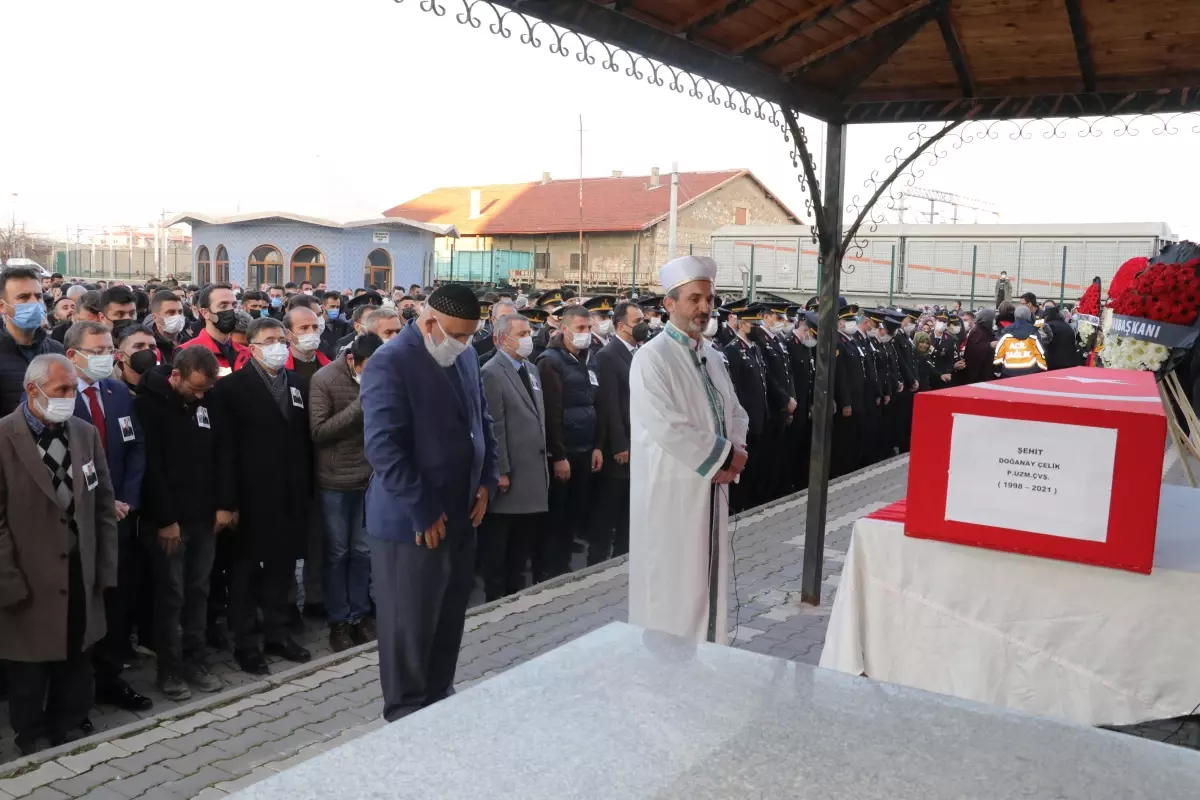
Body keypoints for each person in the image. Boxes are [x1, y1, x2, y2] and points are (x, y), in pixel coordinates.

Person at [361, 284, 498, 722]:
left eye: (470, 336)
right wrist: (422, 507)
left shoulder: (466, 356)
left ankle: (438, 703)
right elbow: (384, 449)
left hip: (461, 514)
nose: (463, 344)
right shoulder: (391, 362)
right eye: (456, 335)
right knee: (409, 628)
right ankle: (405, 715)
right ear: (428, 322)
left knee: (447, 621)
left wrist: (486, 481)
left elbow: (483, 423)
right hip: (412, 523)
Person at [0, 354, 117, 754]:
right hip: (28, 574)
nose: (70, 397)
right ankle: (31, 734)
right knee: (30, 665)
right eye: (61, 390)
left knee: (77, 654)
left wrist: (104, 569)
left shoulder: (84, 433)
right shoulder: (4, 438)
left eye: (72, 388)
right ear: (33, 390)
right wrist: (8, 580)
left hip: (79, 567)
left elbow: (103, 505)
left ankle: (69, 722)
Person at [628, 256, 748, 643]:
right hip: (672, 491)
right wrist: (724, 457)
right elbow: (666, 424)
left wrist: (737, 451)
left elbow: (735, 410)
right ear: (669, 304)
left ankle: (705, 657)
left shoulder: (711, 355)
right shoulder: (651, 358)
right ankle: (664, 669)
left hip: (711, 486)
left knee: (705, 577)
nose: (703, 307)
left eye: (708, 299)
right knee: (672, 581)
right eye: (694, 299)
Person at [212, 318, 314, 674]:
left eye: (281, 340)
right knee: (243, 575)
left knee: (282, 571)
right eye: (269, 341)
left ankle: (277, 634)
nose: (277, 346)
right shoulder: (232, 389)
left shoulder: (298, 385)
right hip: (249, 498)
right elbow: (224, 451)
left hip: (289, 495)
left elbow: (303, 441)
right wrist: (227, 502)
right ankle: (246, 643)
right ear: (252, 348)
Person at [63, 321, 153, 713]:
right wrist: (102, 502)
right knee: (83, 608)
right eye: (96, 351)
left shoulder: (117, 393)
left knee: (117, 605)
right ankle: (76, 694)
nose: (106, 358)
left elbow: (135, 448)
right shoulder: (61, 399)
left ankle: (111, 678)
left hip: (120, 519)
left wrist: (126, 499)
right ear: (73, 356)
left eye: (108, 350)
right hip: (80, 522)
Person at [136, 347, 224, 699]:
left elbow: (219, 453)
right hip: (170, 521)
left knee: (198, 592)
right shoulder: (148, 406)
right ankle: (170, 669)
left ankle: (195, 659)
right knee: (171, 596)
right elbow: (151, 469)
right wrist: (165, 519)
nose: (201, 396)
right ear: (176, 376)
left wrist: (224, 505)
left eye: (206, 390)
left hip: (204, 517)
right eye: (196, 388)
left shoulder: (206, 402)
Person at [310, 332, 382, 652]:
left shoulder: (384, 375)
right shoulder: (325, 378)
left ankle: (360, 615)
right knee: (338, 553)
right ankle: (338, 620)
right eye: (369, 367)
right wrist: (360, 405)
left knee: (363, 552)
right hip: (335, 482)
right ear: (353, 359)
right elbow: (318, 431)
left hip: (369, 479)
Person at [479, 313, 549, 600]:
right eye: (520, 334)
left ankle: (515, 594)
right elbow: (495, 425)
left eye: (528, 333)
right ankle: (496, 600)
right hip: (510, 475)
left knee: (522, 545)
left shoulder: (531, 369)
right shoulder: (492, 372)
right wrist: (501, 470)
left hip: (532, 470)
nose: (527, 339)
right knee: (500, 545)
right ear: (500, 339)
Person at [537, 304, 604, 577]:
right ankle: (551, 570)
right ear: (563, 329)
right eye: (579, 329)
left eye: (588, 328)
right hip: (565, 452)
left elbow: (595, 403)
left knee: (574, 514)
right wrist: (559, 454)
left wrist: (597, 445)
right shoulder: (550, 361)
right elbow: (552, 413)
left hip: (585, 448)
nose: (585, 334)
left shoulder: (589, 359)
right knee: (558, 516)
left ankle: (564, 567)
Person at [590, 300, 643, 564]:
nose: (643, 326)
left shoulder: (639, 352)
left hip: (639, 442)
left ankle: (623, 557)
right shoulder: (608, 355)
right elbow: (609, 404)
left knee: (629, 511)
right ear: (621, 326)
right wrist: (620, 444)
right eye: (638, 322)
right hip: (620, 448)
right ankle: (597, 561)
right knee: (608, 509)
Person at [1, 266, 65, 416]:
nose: (35, 303)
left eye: (38, 296)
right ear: (2, 306)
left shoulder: (57, 350)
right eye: (23, 297)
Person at [722, 306, 768, 511]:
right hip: (746, 419)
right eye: (754, 325)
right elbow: (736, 389)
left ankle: (752, 503)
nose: (757, 329)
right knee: (744, 467)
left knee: (758, 464)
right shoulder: (733, 350)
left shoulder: (754, 348)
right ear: (743, 325)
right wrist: (741, 421)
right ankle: (740, 505)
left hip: (759, 416)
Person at [177, 283, 245, 377]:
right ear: (205, 313)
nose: (231, 310)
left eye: (234, 305)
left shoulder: (246, 352)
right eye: (223, 306)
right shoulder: (187, 352)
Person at [832, 300, 866, 478]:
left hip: (857, 398)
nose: (852, 323)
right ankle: (840, 473)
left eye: (854, 319)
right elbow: (840, 376)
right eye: (848, 320)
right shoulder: (838, 342)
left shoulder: (851, 341)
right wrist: (845, 402)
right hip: (847, 401)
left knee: (853, 439)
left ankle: (850, 470)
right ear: (840, 323)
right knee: (843, 441)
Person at [784, 310, 817, 492]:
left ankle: (799, 482)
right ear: (806, 330)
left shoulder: (805, 346)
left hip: (804, 405)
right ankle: (790, 484)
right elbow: (789, 376)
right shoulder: (790, 344)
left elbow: (809, 376)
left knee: (802, 446)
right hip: (794, 404)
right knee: (791, 447)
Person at [145, 289, 190, 364]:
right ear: (155, 317)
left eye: (180, 312)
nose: (177, 316)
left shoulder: (191, 339)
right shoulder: (148, 345)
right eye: (171, 312)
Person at [114, 324, 160, 392]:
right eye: (139, 346)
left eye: (152, 347)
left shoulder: (164, 384)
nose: (147, 351)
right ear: (121, 356)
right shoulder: (108, 388)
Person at [961, 308, 998, 384]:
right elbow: (974, 349)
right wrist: (989, 345)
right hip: (977, 372)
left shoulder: (986, 330)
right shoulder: (978, 331)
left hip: (984, 369)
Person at [1041, 304, 1080, 370]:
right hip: (1070, 362)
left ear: (1047, 316)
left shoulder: (1048, 326)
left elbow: (1043, 343)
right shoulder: (1067, 326)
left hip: (1053, 363)